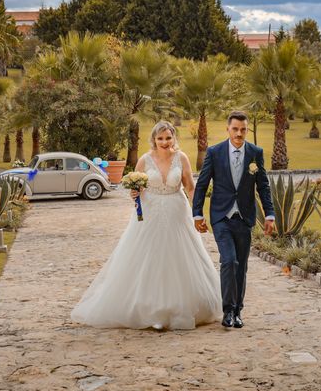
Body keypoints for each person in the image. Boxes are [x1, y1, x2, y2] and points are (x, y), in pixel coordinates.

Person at [71, 121, 221, 330]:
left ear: (173, 138)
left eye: (168, 138)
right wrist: (134, 193)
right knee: (150, 256)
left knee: (178, 255)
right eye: (160, 138)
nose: (165, 142)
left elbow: (190, 187)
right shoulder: (144, 160)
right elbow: (136, 189)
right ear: (154, 140)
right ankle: (150, 309)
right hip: (150, 214)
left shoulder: (182, 158)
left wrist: (197, 213)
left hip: (177, 213)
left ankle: (180, 306)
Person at [193, 111, 275, 328]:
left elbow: (263, 186)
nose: (239, 133)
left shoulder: (255, 153)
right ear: (228, 129)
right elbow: (202, 185)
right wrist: (198, 214)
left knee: (241, 266)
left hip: (245, 217)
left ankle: (238, 311)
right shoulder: (215, 152)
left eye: (243, 129)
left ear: (247, 130)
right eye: (235, 129)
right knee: (229, 261)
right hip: (222, 216)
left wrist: (269, 214)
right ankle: (228, 311)